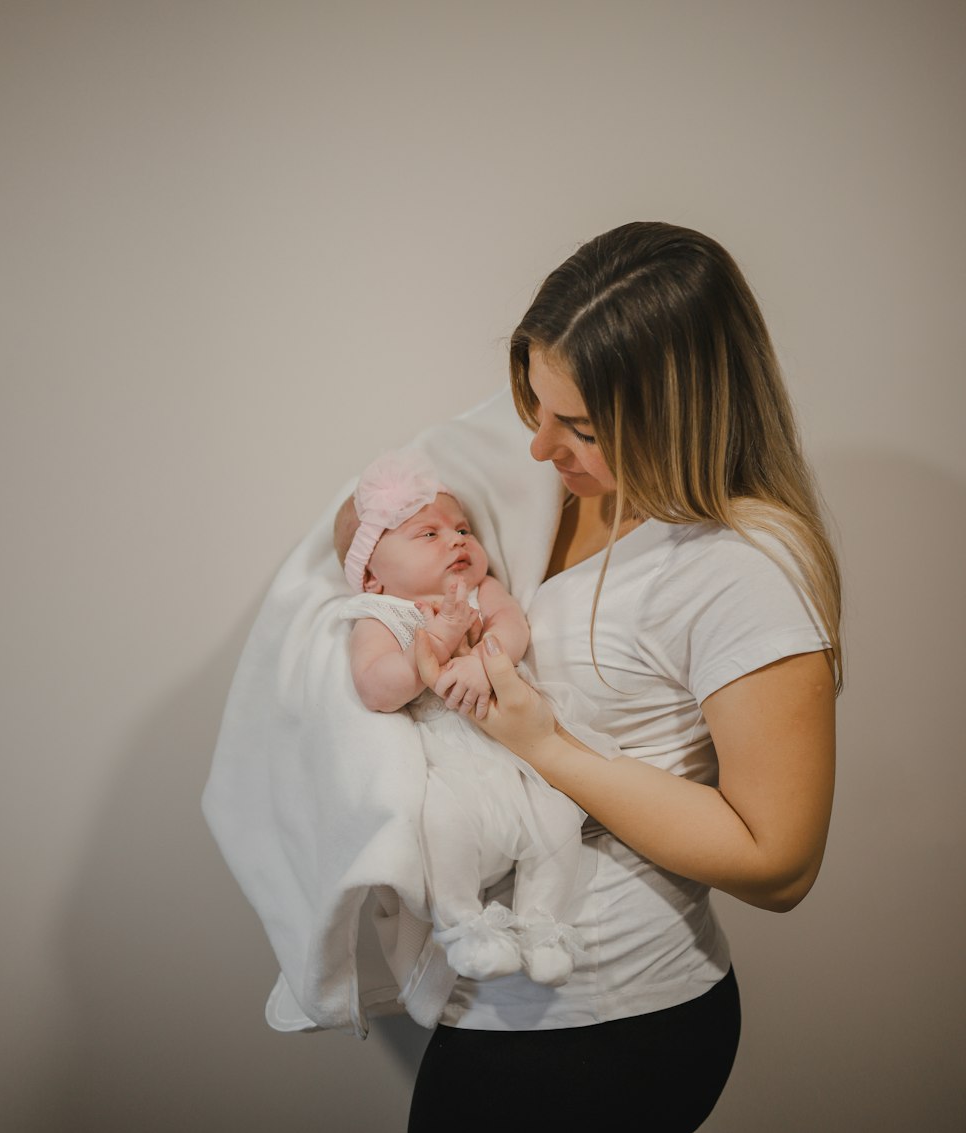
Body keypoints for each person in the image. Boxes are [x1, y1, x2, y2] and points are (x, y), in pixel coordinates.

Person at [409, 221, 841, 1132]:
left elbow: (781, 861)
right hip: (493, 993)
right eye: (536, 405)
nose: (540, 448)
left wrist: (543, 745)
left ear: (679, 413)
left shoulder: (743, 566)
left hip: (608, 1020)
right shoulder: (569, 488)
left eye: (581, 426)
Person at [333, 448, 594, 988]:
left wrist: (483, 658)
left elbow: (512, 626)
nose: (456, 540)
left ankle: (543, 926)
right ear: (372, 575)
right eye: (428, 534)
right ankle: (465, 927)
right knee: (439, 827)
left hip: (513, 755)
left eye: (463, 529)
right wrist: (433, 646)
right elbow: (376, 688)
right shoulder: (380, 615)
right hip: (445, 762)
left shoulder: (481, 590)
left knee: (560, 818)